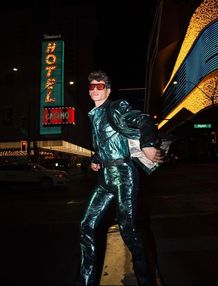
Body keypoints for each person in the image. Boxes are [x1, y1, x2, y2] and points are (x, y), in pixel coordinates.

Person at [77, 70, 163, 285]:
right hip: (105, 177)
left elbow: (143, 120)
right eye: (92, 86)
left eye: (100, 86)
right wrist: (96, 159)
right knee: (86, 225)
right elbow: (105, 143)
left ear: (107, 90)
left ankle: (146, 281)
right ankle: (85, 281)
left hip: (123, 175)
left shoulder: (116, 107)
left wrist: (148, 143)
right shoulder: (94, 116)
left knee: (129, 229)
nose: (95, 90)